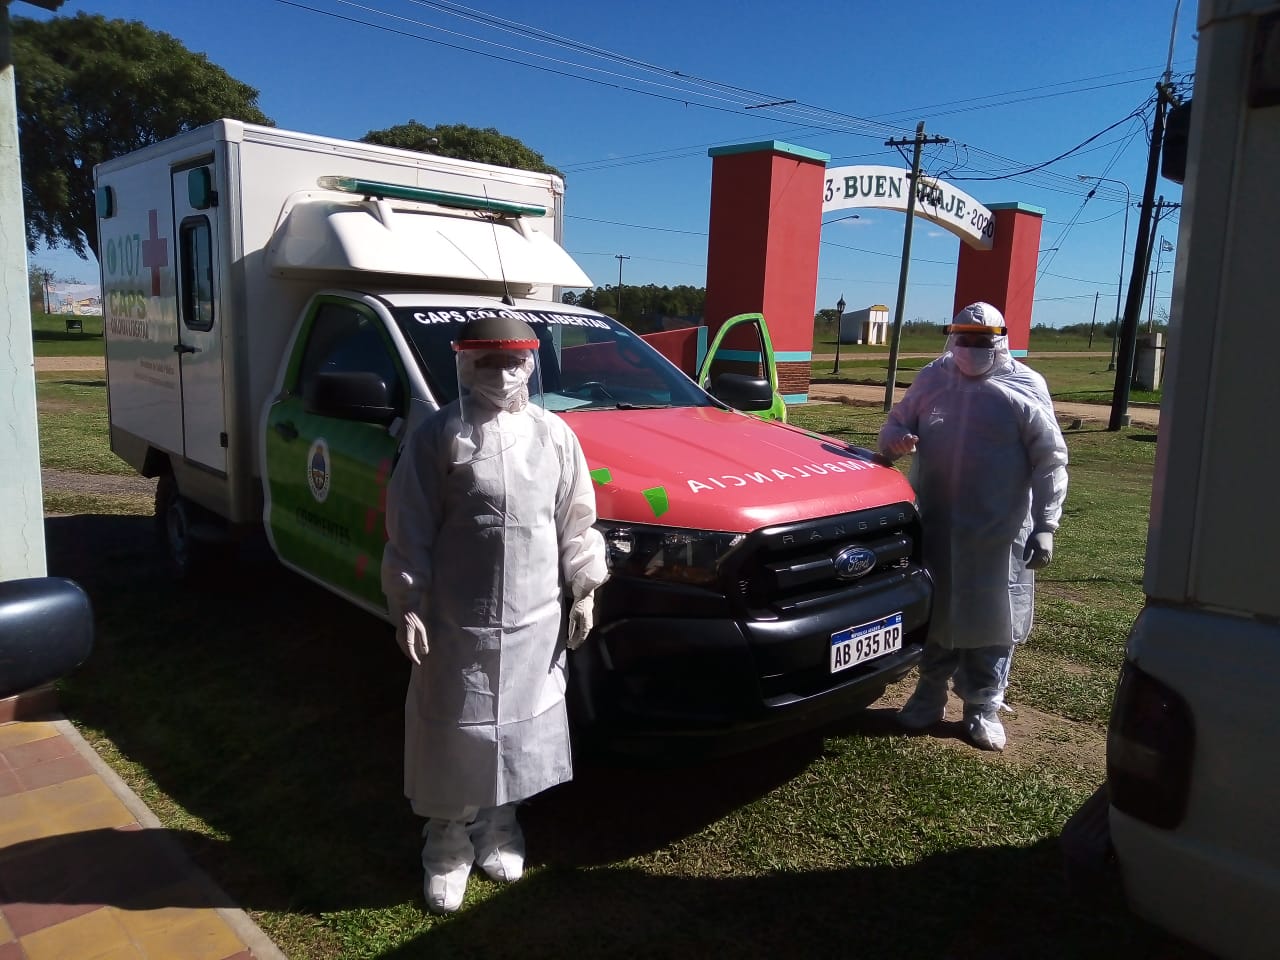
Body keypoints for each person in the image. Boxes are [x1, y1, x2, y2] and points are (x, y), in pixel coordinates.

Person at [381, 314, 608, 913]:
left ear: (531, 363)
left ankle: (500, 825)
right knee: (456, 722)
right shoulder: (440, 436)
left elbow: (575, 518)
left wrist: (585, 587)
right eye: (489, 362)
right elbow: (409, 526)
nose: (503, 374)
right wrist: (407, 603)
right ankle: (447, 841)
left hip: (535, 619)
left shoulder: (553, 436)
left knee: (521, 723)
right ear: (464, 363)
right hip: (457, 621)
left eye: (513, 361)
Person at [878, 301, 1068, 751]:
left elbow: (1050, 458)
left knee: (993, 614)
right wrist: (895, 441)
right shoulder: (933, 378)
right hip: (938, 520)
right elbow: (896, 423)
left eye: (982, 340)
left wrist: (1046, 523)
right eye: (964, 338)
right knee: (937, 609)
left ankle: (983, 705)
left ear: (1000, 341)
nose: (972, 348)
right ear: (952, 338)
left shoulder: (1024, 385)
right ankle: (929, 694)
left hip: (999, 527)